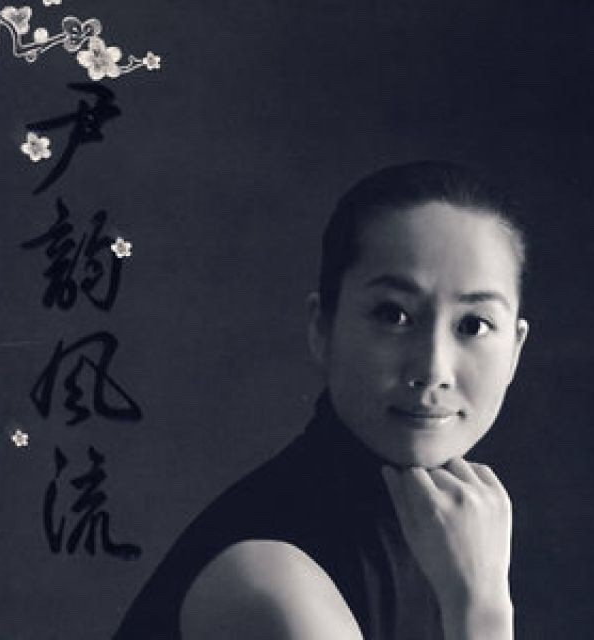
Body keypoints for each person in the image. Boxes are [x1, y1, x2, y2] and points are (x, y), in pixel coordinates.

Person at [114, 161, 529, 640]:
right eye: (393, 315)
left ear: (515, 350)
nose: (433, 369)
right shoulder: (269, 582)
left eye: (474, 325)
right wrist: (481, 609)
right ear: (322, 329)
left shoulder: (455, 533)